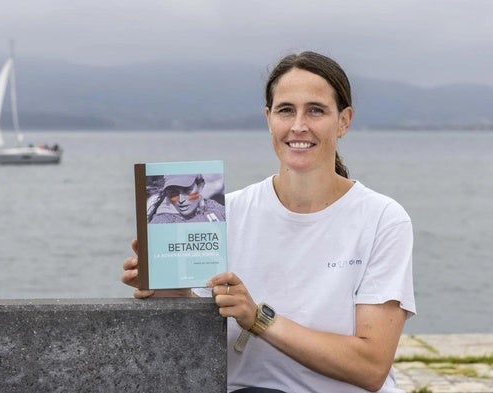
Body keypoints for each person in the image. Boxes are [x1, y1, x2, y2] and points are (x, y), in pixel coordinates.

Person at [122, 51, 416, 393]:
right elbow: (193, 336)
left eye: (316, 110)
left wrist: (259, 318)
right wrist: (169, 289)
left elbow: (370, 367)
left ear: (344, 121)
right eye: (285, 110)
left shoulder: (383, 219)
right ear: (268, 118)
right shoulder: (224, 213)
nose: (298, 126)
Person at [147, 174, 226, 224]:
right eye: (174, 192)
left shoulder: (214, 208)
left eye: (187, 190)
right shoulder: (162, 221)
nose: (181, 200)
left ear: (200, 186)